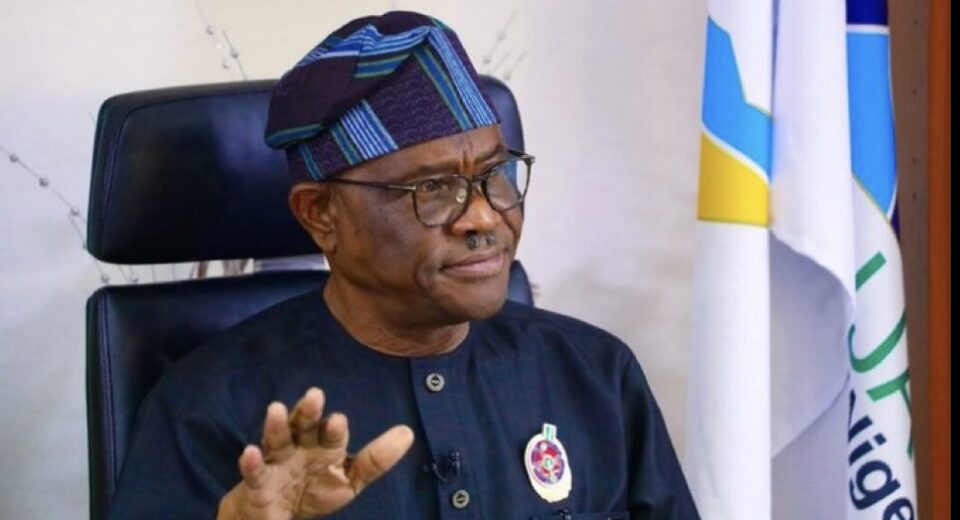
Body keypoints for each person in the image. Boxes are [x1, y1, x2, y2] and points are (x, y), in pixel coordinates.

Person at [109, 11, 699, 520]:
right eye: (433, 188)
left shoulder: (594, 375)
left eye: (495, 174)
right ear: (321, 214)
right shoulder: (209, 409)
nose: (484, 217)